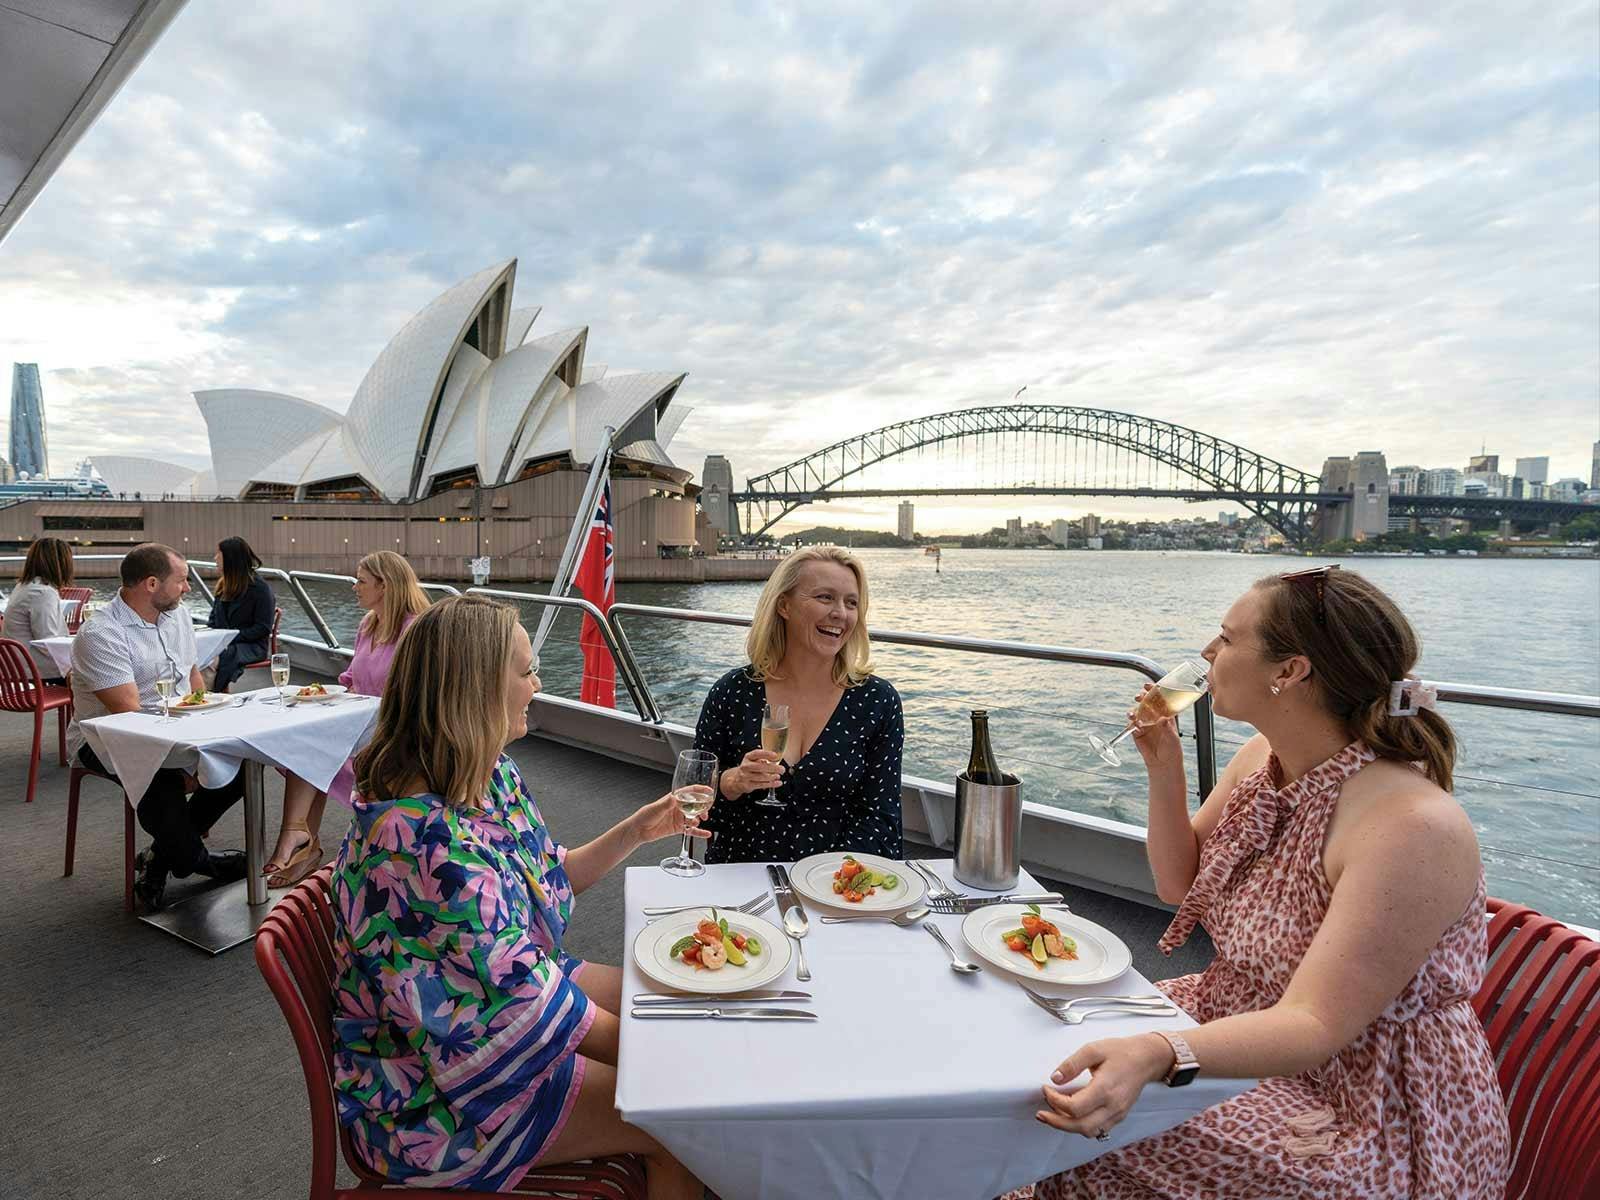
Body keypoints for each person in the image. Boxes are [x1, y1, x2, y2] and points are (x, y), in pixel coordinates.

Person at [1012, 566, 1510, 1200]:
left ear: (1290, 671)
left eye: (1225, 637)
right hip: (1240, 1023)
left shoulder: (1411, 826)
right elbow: (1177, 884)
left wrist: (1160, 1051)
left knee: (1093, 1128)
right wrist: (1164, 768)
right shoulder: (1261, 761)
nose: (1206, 653)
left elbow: (1314, 1025)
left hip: (1363, 1106)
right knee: (1040, 1053)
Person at [330, 595, 705, 1197]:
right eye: (526, 670)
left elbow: (544, 877)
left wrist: (639, 828)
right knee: (678, 1116)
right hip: (432, 1099)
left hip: (487, 1006)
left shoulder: (484, 775)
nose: (537, 682)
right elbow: (525, 1008)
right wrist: (678, 1058)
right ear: (476, 689)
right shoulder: (422, 845)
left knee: (668, 994)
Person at [693, 544, 903, 863]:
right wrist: (732, 782)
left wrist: (832, 881)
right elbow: (694, 809)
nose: (840, 613)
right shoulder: (732, 692)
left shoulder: (877, 700)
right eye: (824, 597)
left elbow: (881, 819)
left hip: (835, 886)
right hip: (741, 879)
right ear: (784, 606)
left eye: (851, 603)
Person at [69, 543, 248, 911]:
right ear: (151, 583)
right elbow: (129, 715)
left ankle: (161, 857)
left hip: (177, 727)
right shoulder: (101, 634)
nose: (188, 589)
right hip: (107, 737)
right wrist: (186, 761)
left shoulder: (177, 615)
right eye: (181, 581)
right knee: (160, 780)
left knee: (244, 762)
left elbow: (192, 674)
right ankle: (197, 861)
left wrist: (209, 727)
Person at [262, 550, 429, 886]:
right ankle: (300, 838)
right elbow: (352, 678)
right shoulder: (369, 624)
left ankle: (298, 841)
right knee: (308, 739)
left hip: (394, 730)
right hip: (359, 721)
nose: (355, 586)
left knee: (312, 748)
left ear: (384, 586)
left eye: (361, 581)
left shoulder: (415, 630)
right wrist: (330, 697)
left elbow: (418, 693)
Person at [206, 536, 275, 692]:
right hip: (225, 642)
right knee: (199, 654)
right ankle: (209, 696)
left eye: (218, 554)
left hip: (252, 646)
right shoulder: (223, 586)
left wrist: (228, 637)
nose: (215, 558)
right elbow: (213, 620)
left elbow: (262, 628)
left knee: (214, 659)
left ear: (230, 558)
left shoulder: (260, 589)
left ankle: (210, 695)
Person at [5, 537, 75, 683]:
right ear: (61, 564)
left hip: (15, 665)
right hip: (36, 670)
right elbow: (48, 642)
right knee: (94, 677)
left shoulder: (24, 586)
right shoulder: (43, 593)